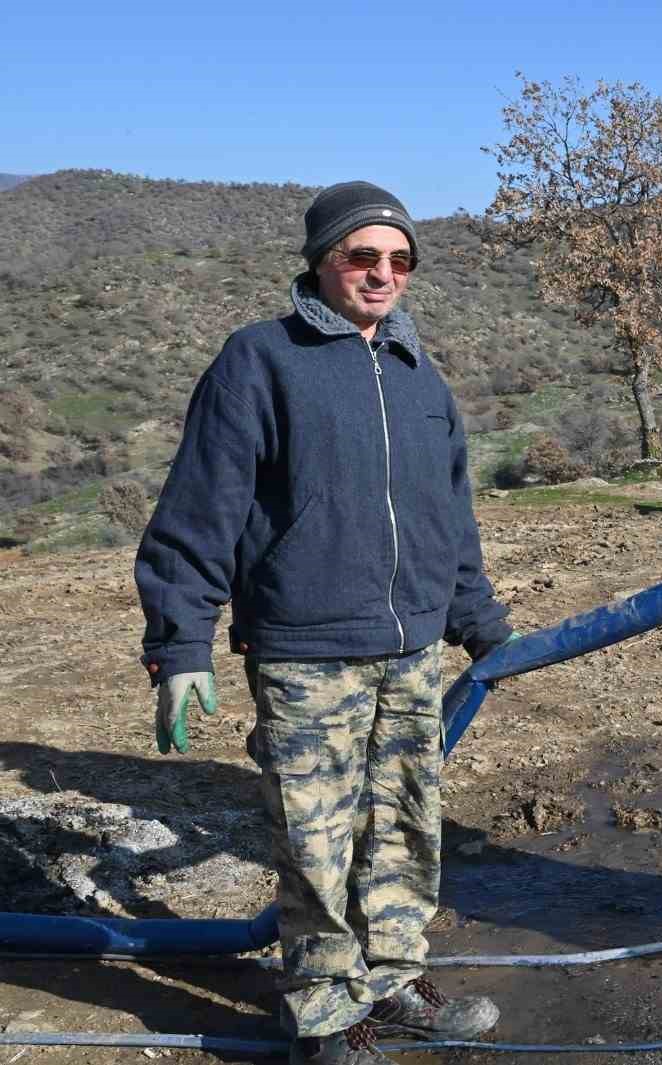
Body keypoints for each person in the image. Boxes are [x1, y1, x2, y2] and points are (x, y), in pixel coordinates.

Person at [135, 182, 513, 1065]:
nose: (382, 274)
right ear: (321, 261)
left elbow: (450, 519)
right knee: (316, 837)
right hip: (306, 650)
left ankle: (393, 980)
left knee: (407, 824)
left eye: (400, 260)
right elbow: (200, 511)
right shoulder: (260, 360)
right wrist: (180, 643)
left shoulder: (423, 376)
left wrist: (481, 620)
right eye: (362, 256)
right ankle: (322, 1011)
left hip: (411, 652)